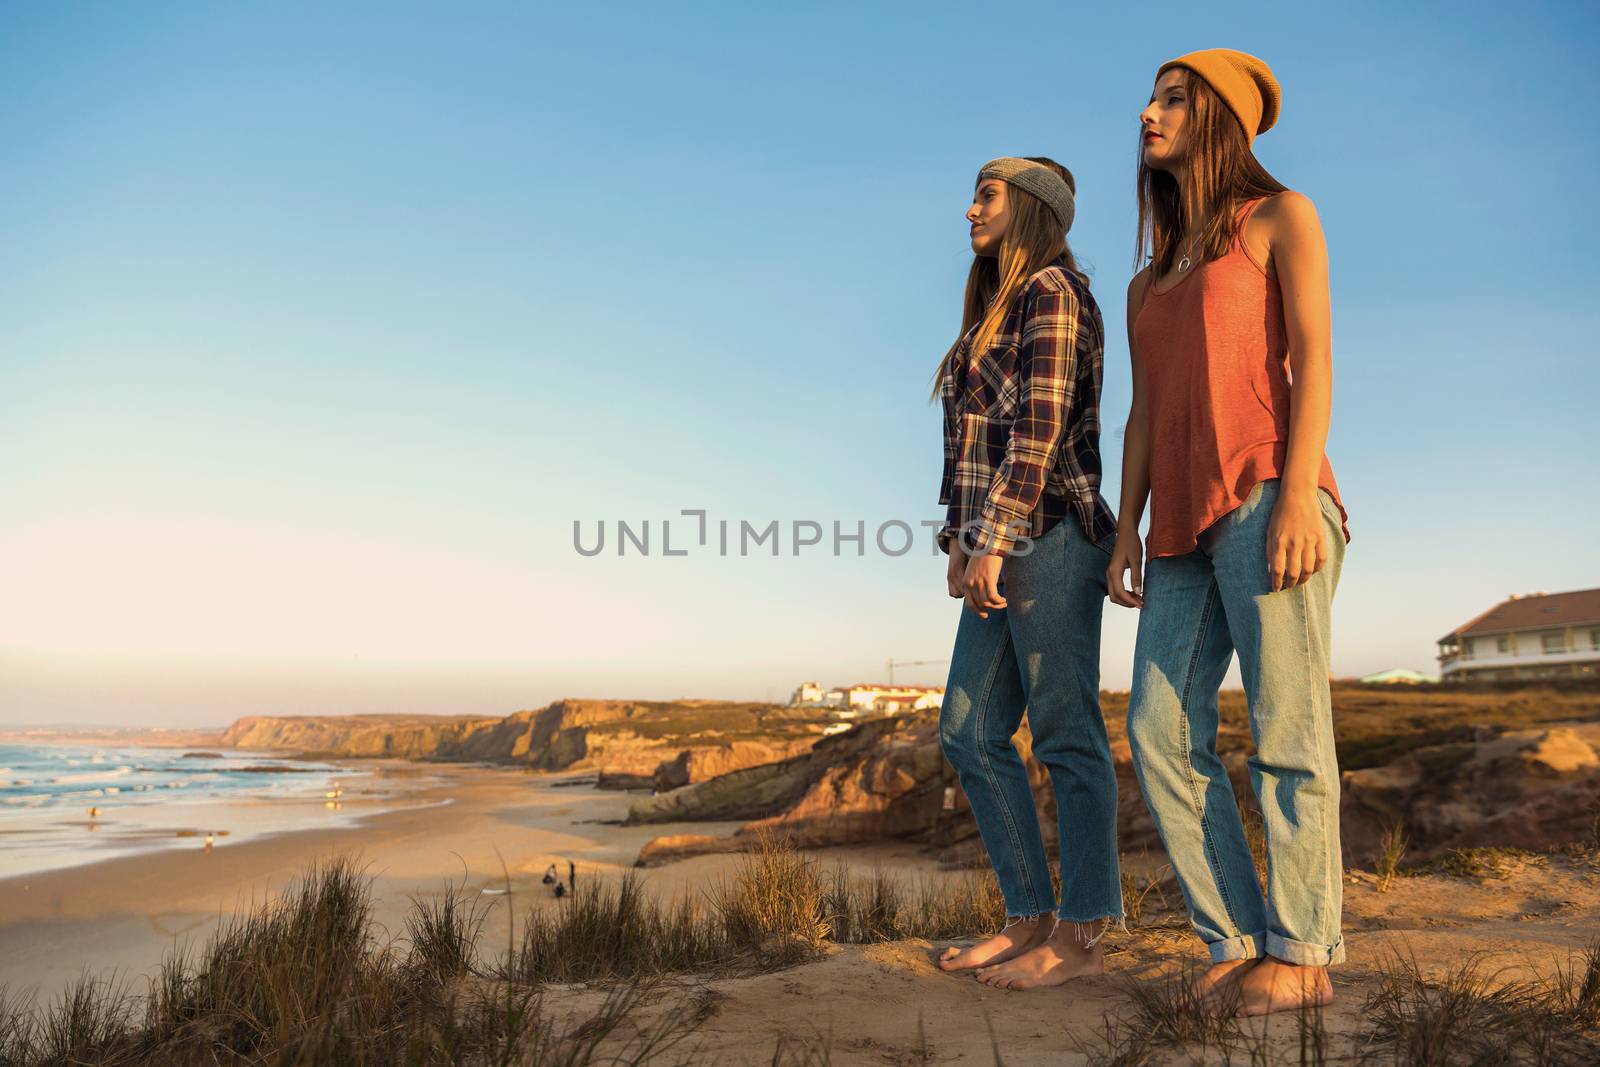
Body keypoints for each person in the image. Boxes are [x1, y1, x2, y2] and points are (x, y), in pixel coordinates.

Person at [1106, 49, 1352, 1017]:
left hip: (1265, 495)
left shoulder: (1280, 216)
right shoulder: (1146, 280)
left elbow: (1317, 358)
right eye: (1152, 97)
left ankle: (1302, 948)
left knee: (1288, 726)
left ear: (1221, 119)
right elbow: (1140, 413)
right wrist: (1123, 526)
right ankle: (1235, 935)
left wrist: (1297, 494)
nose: (1148, 112)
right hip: (1176, 525)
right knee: (1158, 728)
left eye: (1172, 100)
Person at [933, 156, 1123, 991]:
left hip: (1048, 537)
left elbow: (1039, 429)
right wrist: (959, 539)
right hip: (999, 540)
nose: (969, 208)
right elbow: (971, 443)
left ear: (1033, 209)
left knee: (1065, 733)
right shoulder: (994, 309)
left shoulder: (1053, 291)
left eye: (987, 196)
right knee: (969, 731)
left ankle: (1082, 932)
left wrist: (994, 537)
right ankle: (1028, 915)